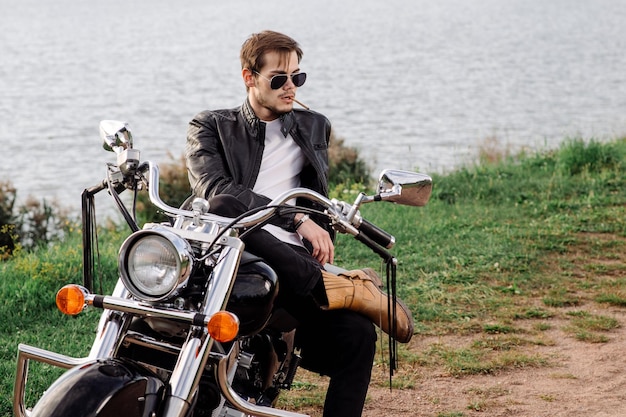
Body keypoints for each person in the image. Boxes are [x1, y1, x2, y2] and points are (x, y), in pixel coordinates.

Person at [185, 30, 414, 417]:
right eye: (279, 79)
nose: (290, 87)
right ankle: (333, 285)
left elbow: (316, 195)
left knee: (356, 337)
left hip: (290, 265)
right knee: (223, 204)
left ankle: (325, 285)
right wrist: (296, 217)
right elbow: (213, 188)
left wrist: (319, 220)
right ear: (249, 78)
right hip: (232, 249)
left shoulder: (313, 127)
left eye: (297, 77)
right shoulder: (211, 125)